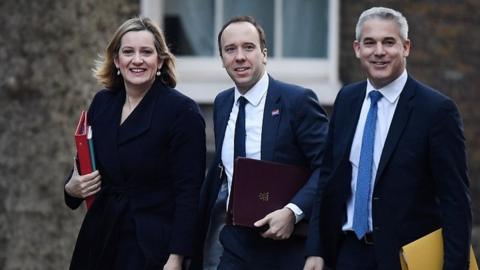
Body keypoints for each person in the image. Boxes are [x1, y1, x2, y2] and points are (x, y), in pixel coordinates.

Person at [304, 7, 472, 270]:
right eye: (370, 43)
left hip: (406, 259)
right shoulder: (347, 99)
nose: (379, 51)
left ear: (406, 47)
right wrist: (316, 249)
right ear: (357, 48)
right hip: (347, 254)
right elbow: (327, 180)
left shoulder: (436, 111)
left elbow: (455, 202)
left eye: (389, 42)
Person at [64, 17, 206, 270]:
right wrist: (71, 188)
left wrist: (177, 258)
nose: (137, 60)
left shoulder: (182, 111)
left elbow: (189, 193)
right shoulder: (102, 103)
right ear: (117, 61)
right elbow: (84, 164)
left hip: (152, 246)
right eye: (128, 52)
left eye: (146, 52)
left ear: (160, 61)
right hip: (101, 239)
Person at [192, 16, 329, 270]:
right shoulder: (222, 104)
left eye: (249, 47)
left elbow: (328, 167)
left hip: (287, 245)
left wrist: (292, 211)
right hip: (236, 243)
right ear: (222, 59)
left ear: (264, 54)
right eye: (230, 49)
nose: (240, 56)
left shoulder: (296, 101)